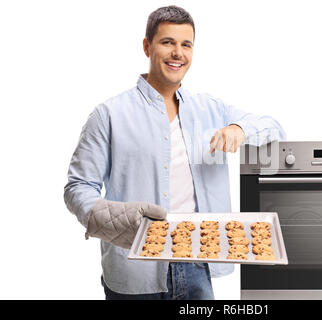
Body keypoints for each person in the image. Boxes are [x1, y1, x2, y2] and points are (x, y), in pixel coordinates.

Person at [63, 5, 286, 300]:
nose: (177, 53)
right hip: (133, 270)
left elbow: (274, 128)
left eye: (186, 44)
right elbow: (77, 188)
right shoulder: (108, 115)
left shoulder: (212, 110)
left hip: (198, 263)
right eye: (167, 42)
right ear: (147, 46)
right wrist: (119, 219)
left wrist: (238, 129)